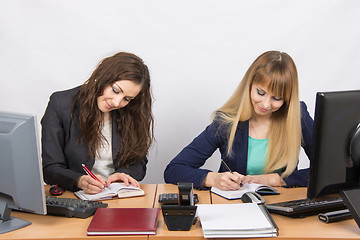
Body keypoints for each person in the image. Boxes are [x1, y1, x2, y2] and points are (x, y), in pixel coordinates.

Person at [164, 50, 314, 191]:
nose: (266, 104)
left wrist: (277, 179)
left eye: (277, 98)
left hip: (285, 207)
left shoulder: (297, 117)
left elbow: (330, 169)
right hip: (237, 207)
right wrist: (214, 179)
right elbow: (174, 169)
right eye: (260, 92)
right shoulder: (226, 123)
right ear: (249, 85)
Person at [41, 52, 154, 194]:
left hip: (117, 195)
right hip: (75, 196)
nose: (116, 102)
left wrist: (123, 175)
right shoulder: (61, 104)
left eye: (127, 99)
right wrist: (79, 180)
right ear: (103, 77)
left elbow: (139, 161)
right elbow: (51, 168)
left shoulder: (132, 112)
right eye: (115, 90)